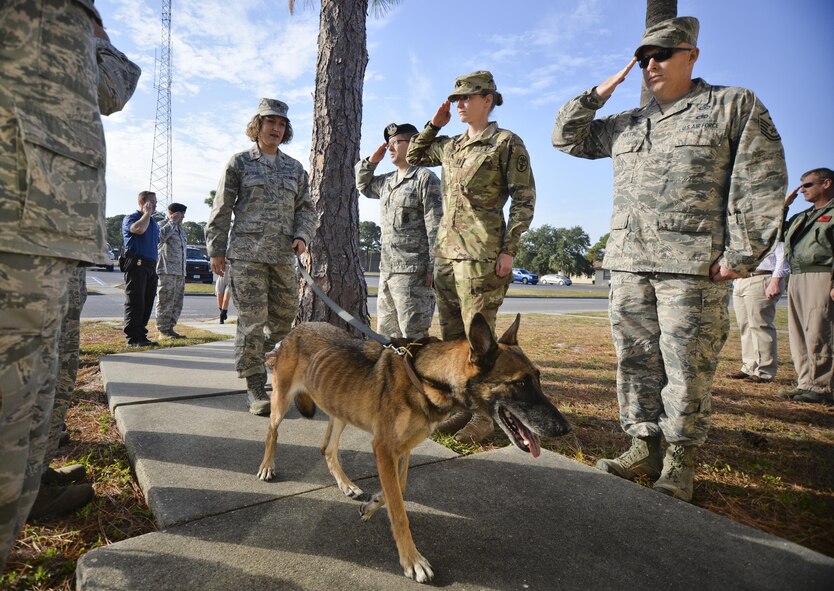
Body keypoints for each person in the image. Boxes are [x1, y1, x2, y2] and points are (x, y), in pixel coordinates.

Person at [552, 16, 787, 502]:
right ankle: (643, 444)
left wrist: (741, 255)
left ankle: (680, 458)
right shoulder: (627, 123)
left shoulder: (731, 105)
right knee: (635, 360)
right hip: (629, 263)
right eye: (643, 57)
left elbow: (761, 180)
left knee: (686, 368)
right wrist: (603, 90)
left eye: (661, 53)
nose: (651, 64)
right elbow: (565, 137)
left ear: (691, 55)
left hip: (694, 266)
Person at [0, 0, 135, 568]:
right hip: (17, 207)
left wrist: (93, 26)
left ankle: (27, 495)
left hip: (53, 219)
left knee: (38, 386)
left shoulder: (76, 16)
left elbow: (113, 87)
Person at [407, 71, 536, 443]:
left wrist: (510, 249)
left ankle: (488, 417)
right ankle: (461, 409)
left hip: (482, 255)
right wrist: (434, 124)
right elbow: (415, 154)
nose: (459, 103)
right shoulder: (451, 145)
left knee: (482, 345)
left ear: (489, 99)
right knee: (453, 343)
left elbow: (524, 199)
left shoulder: (506, 143)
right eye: (456, 98)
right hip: (447, 254)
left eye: (467, 97)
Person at [206, 98, 317, 416]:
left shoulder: (295, 169)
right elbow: (222, 208)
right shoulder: (239, 163)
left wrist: (302, 236)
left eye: (282, 124)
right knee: (252, 323)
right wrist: (216, 249)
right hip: (247, 256)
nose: (276, 128)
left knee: (285, 318)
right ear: (257, 126)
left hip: (282, 257)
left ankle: (254, 354)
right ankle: (255, 387)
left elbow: (306, 209)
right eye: (271, 122)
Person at [356, 123, 442, 339]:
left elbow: (436, 227)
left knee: (413, 337)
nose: (391, 148)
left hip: (414, 274)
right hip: (388, 271)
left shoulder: (425, 179)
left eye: (396, 142)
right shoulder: (387, 181)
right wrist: (373, 160)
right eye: (389, 144)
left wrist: (434, 267)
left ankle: (413, 374)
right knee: (386, 337)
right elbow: (363, 185)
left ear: (412, 143)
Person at [778, 168, 834, 405]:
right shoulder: (804, 215)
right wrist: (784, 206)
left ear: (827, 183)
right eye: (801, 185)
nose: (802, 190)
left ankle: (823, 387)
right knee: (799, 333)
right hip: (798, 276)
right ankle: (805, 382)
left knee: (820, 331)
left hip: (823, 275)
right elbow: (777, 234)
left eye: (807, 185)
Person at [726, 242, 789, 384]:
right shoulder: (740, 229)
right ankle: (749, 367)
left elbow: (782, 255)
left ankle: (764, 372)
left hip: (762, 277)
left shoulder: (772, 226)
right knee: (745, 326)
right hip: (741, 280)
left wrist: (775, 281)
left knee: (760, 326)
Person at [122, 191, 160, 347]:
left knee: (146, 303)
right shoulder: (132, 218)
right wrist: (146, 214)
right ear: (142, 202)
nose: (155, 205)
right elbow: (138, 230)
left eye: (155, 202)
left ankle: (141, 335)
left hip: (150, 266)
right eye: (152, 202)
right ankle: (133, 338)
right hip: (136, 265)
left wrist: (149, 216)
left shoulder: (154, 223)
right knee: (135, 302)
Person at [156, 202, 188, 339]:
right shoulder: (162, 225)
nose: (183, 218)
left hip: (180, 272)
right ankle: (163, 330)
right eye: (181, 215)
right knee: (165, 300)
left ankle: (170, 328)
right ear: (173, 213)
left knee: (177, 301)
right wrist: (172, 222)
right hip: (166, 270)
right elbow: (160, 238)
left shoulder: (181, 229)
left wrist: (176, 223)